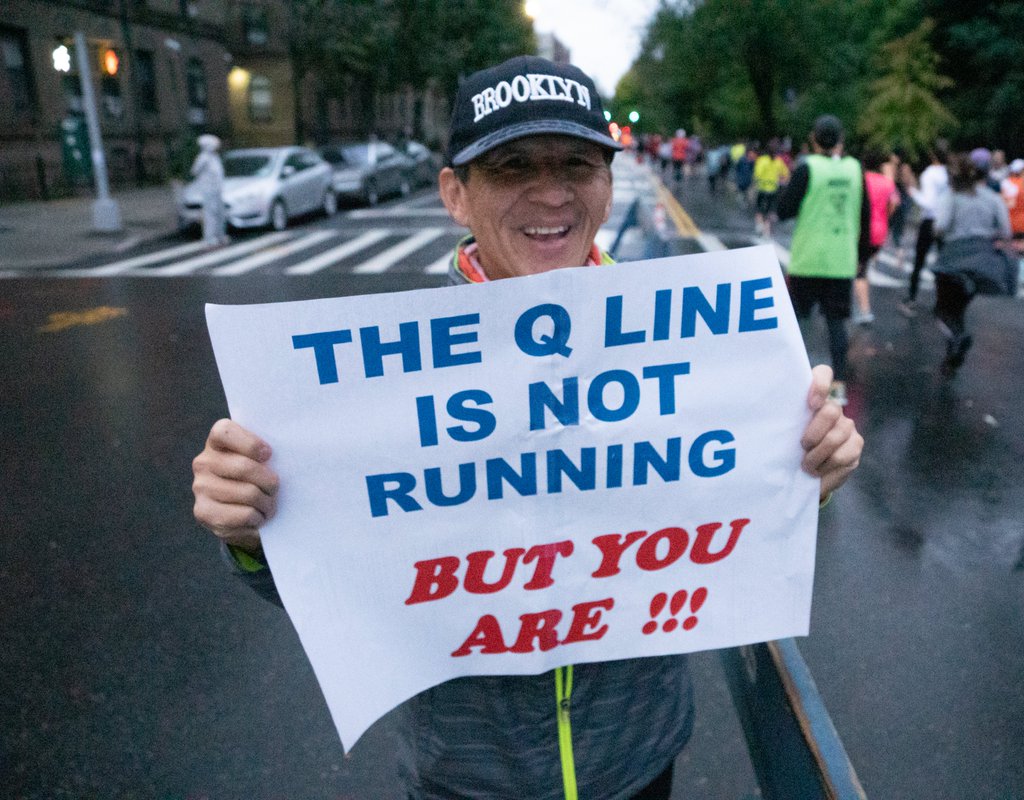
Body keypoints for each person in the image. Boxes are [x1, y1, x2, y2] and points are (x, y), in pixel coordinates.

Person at [190, 55, 864, 800]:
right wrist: (252, 535)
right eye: (513, 166)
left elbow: (728, 518)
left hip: (637, 756)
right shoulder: (370, 391)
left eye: (578, 164)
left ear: (608, 186)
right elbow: (337, 581)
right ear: (455, 193)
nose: (552, 192)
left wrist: (808, 471)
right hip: (467, 777)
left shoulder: (690, 349)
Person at [775, 115, 870, 406]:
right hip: (841, 261)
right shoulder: (855, 170)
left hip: (808, 259)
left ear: (814, 140)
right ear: (840, 140)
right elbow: (864, 216)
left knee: (798, 328)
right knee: (836, 327)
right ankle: (837, 392)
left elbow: (784, 210)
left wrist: (784, 187)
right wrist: (862, 258)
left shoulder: (807, 168)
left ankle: (792, 388)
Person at [930, 153, 1012, 376]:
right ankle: (951, 358)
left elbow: (941, 225)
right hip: (982, 260)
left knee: (942, 311)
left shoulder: (952, 196)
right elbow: (1006, 231)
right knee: (959, 309)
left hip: (953, 258)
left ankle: (957, 339)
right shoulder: (993, 198)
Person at [899, 141, 949, 316]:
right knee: (944, 263)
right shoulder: (949, 174)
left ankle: (912, 298)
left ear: (932, 155)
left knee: (919, 261)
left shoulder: (929, 174)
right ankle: (943, 302)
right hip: (945, 222)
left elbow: (927, 202)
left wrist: (912, 192)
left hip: (929, 221)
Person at [855, 148, 900, 325]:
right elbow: (894, 203)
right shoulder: (887, 183)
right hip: (880, 230)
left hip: (861, 229)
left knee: (859, 270)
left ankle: (864, 310)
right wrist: (884, 217)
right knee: (863, 265)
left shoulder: (860, 180)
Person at [191, 134, 228, 247]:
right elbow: (194, 171)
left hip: (217, 189)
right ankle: (210, 238)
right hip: (208, 190)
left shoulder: (214, 157)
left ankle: (220, 235)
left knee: (220, 213)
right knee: (210, 214)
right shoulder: (203, 158)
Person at [752, 143, 790, 237]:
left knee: (759, 208)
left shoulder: (762, 160)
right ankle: (767, 231)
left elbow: (757, 174)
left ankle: (759, 225)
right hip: (773, 189)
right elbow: (785, 173)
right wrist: (780, 180)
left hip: (762, 188)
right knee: (770, 210)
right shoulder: (778, 161)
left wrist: (756, 182)